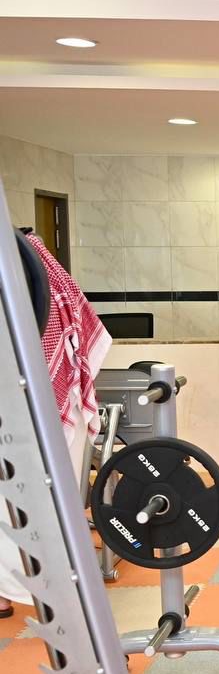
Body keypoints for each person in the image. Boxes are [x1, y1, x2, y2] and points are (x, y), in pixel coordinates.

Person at [1, 232, 110, 619]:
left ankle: (47, 587)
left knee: (32, 502)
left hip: (36, 409)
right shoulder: (43, 275)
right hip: (44, 408)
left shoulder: (30, 274)